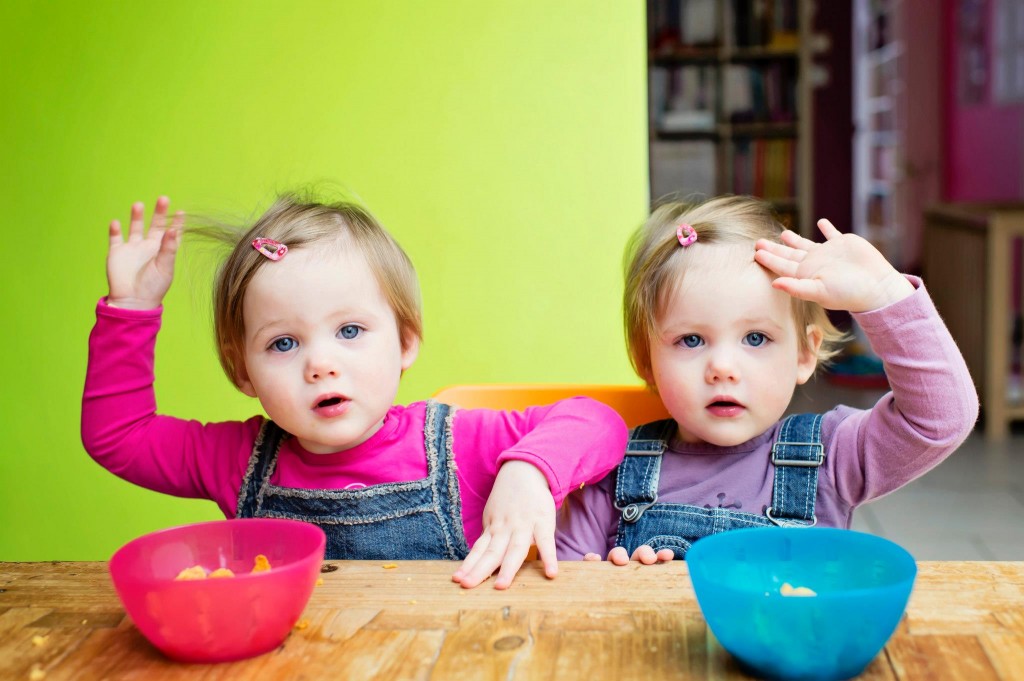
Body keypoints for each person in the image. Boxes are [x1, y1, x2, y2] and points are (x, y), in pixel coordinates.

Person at [82, 193, 628, 588]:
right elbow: (119, 437)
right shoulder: (236, 459)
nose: (321, 364)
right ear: (242, 371)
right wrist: (131, 309)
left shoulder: (461, 442)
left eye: (349, 332)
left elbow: (598, 421)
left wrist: (530, 470)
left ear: (405, 340)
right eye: (283, 343)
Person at [555, 195, 978, 564]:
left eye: (755, 338)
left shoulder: (832, 456)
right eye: (691, 340)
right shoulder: (610, 474)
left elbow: (941, 419)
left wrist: (887, 297)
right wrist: (607, 579)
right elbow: (563, 596)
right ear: (645, 360)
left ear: (804, 353)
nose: (723, 367)